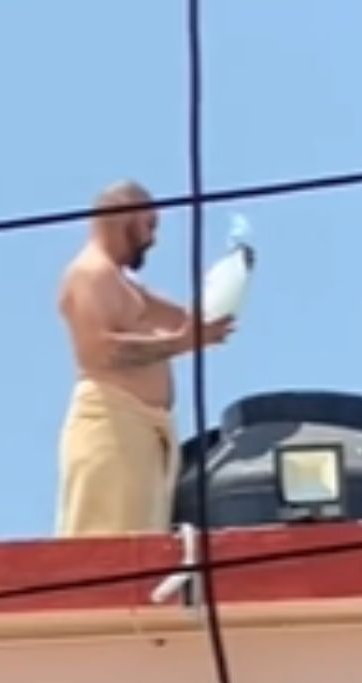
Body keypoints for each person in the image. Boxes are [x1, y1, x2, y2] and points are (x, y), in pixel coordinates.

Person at [53, 181, 236, 538]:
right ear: (124, 214)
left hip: (142, 433)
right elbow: (99, 351)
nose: (153, 239)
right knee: (107, 542)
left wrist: (226, 286)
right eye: (149, 225)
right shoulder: (90, 275)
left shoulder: (124, 283)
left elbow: (179, 317)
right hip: (112, 424)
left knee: (142, 542)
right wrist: (183, 343)